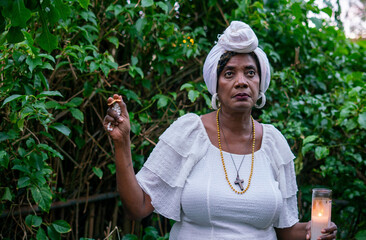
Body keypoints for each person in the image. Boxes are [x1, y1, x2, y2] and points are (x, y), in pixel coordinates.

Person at [103, 21, 337, 240]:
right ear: (215, 85)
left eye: (250, 73)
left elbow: (285, 229)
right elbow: (138, 206)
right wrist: (122, 142)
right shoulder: (190, 133)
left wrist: (310, 230)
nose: (241, 81)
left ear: (260, 82)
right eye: (229, 74)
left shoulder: (274, 143)